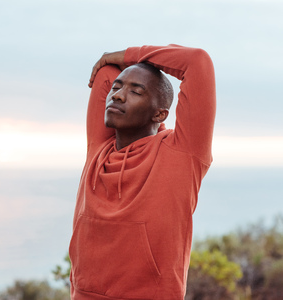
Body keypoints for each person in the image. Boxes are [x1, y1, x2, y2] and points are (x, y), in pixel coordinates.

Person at [68, 45, 216, 300]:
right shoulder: (98, 149)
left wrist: (126, 55)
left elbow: (196, 61)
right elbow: (105, 73)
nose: (118, 96)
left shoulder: (182, 154)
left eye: (136, 92)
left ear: (160, 114)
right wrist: (115, 65)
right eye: (117, 88)